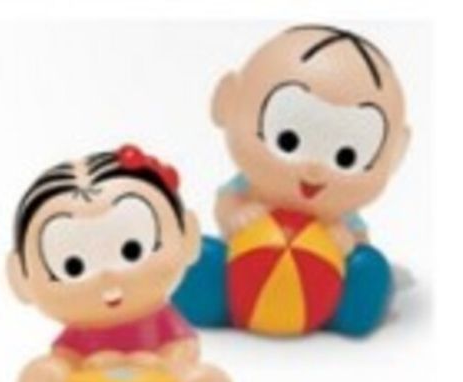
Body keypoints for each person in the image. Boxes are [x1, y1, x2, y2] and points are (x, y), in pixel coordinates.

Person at [174, 25, 410, 335]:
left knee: (368, 268)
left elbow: (358, 237)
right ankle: (211, 300)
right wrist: (235, 215)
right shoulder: (245, 189)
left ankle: (352, 310)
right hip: (244, 274)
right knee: (203, 256)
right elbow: (227, 204)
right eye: (288, 140)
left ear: (396, 154)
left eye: (346, 157)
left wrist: (346, 241)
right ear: (227, 103)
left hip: (320, 290)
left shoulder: (340, 215)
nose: (314, 171)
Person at [8, 144, 236, 382]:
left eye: (132, 251)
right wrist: (70, 369)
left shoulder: (161, 320)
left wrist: (167, 364)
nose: (108, 277)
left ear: (188, 237)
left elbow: (184, 346)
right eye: (73, 267)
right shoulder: (80, 333)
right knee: (53, 373)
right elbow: (66, 354)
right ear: (20, 277)